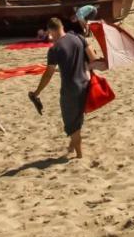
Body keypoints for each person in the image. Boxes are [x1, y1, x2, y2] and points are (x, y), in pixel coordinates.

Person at [31, 17, 98, 159]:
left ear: (50, 30)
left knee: (72, 124)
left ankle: (79, 155)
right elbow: (93, 58)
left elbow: (48, 74)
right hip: (85, 84)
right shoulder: (78, 37)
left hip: (70, 88)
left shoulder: (55, 49)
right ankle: (71, 148)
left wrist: (37, 92)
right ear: (62, 26)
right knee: (77, 119)